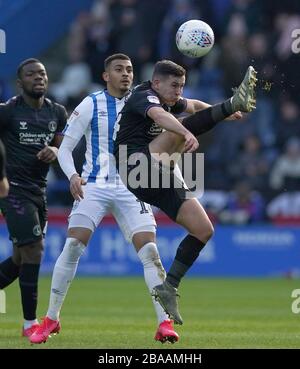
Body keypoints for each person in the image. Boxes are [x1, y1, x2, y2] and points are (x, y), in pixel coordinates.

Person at [29, 54, 179, 345]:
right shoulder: (90, 103)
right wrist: (73, 176)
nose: (126, 75)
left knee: (150, 252)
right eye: (119, 70)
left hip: (133, 186)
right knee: (72, 245)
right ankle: (51, 319)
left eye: (130, 70)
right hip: (94, 185)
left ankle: (165, 323)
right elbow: (65, 148)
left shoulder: (145, 102)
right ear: (105, 75)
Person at [113, 60, 257, 324]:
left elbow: (194, 106)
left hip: (159, 174)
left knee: (204, 229)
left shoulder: (171, 98)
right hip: (134, 167)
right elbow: (161, 118)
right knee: (177, 129)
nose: (178, 91)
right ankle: (233, 101)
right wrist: (185, 131)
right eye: (174, 86)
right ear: (156, 83)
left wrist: (226, 112)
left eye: (181, 86)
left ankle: (169, 287)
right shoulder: (142, 96)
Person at [0, 59, 67, 338]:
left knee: (19, 257)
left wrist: (54, 149)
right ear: (20, 83)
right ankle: (30, 324)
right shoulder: (7, 112)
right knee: (35, 249)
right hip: (12, 189)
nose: (38, 78)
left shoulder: (58, 113)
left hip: (38, 191)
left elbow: (63, 147)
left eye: (42, 73)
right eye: (31, 74)